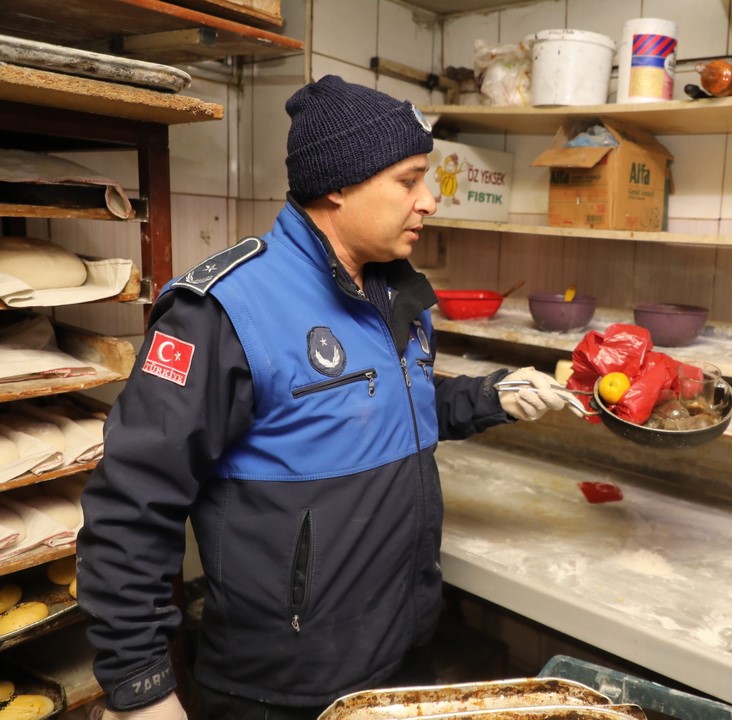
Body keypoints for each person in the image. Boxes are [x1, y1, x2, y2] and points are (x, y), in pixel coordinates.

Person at [76, 75, 568, 720]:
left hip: (402, 653)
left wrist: (493, 396)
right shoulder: (224, 311)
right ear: (339, 184)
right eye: (409, 180)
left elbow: (392, 408)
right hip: (282, 688)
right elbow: (133, 501)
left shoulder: (396, 291)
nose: (429, 202)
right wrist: (139, 682)